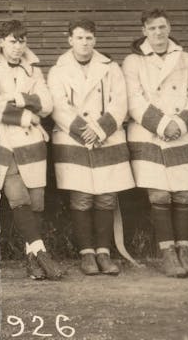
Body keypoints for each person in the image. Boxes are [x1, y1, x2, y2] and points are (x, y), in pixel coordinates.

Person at [0, 20, 61, 281]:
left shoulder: (32, 67)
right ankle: (42, 252)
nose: (18, 47)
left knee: (36, 200)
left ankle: (32, 260)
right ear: (1, 42)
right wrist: (26, 116)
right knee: (17, 196)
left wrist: (18, 99)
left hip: (29, 139)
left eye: (22, 41)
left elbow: (46, 105)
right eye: (12, 41)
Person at [122, 10, 188, 278]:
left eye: (162, 27)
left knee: (184, 195)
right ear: (144, 32)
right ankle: (168, 254)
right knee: (159, 195)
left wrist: (179, 125)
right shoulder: (132, 62)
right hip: (149, 134)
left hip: (183, 132)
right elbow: (134, 100)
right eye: (152, 28)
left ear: (169, 28)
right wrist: (162, 125)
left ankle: (184, 252)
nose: (158, 33)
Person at [48, 18, 133, 277]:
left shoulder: (110, 67)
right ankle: (86, 254)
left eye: (89, 38)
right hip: (73, 137)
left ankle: (104, 253)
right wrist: (83, 131)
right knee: (82, 198)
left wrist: (99, 129)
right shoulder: (57, 70)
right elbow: (59, 106)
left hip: (106, 136)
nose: (84, 43)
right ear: (70, 39)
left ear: (95, 40)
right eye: (79, 37)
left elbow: (120, 102)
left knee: (106, 198)